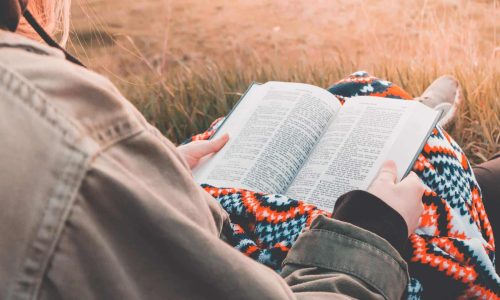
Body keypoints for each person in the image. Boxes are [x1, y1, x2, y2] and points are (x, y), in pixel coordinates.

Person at [0, 1, 497, 299]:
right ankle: (422, 121)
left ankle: (419, 121)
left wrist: (142, 174)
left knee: (368, 109)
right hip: (315, 267)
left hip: (216, 222)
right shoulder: (50, 108)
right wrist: (373, 233)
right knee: (429, 185)